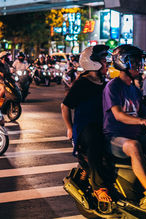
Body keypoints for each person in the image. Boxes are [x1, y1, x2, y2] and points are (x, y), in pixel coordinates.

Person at [103, 44, 146, 213]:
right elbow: (118, 115)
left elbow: (145, 112)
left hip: (135, 134)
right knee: (134, 146)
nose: (139, 64)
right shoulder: (113, 86)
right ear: (123, 62)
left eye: (140, 61)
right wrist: (140, 121)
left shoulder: (134, 88)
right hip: (115, 138)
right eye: (135, 61)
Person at [61, 45, 112, 205]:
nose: (107, 64)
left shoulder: (105, 82)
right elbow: (65, 106)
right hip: (86, 126)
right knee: (95, 142)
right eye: (104, 61)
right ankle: (99, 187)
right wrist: (70, 128)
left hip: (104, 123)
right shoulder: (82, 83)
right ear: (93, 63)